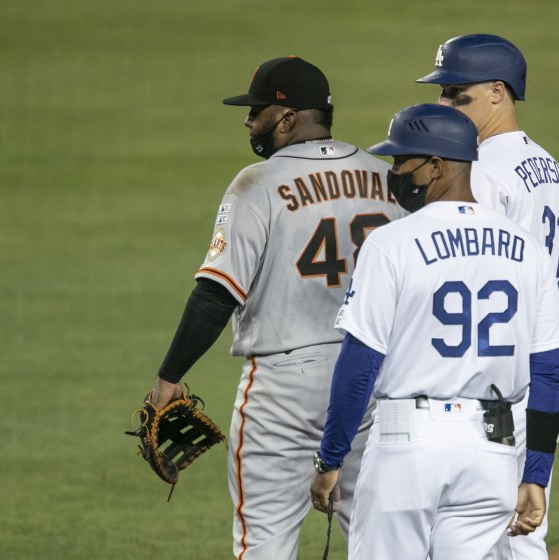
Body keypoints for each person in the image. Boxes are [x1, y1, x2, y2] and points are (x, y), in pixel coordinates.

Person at [141, 55, 406, 559]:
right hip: (372, 382)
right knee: (385, 546)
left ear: (288, 119)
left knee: (262, 545)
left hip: (283, 392)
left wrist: (167, 381)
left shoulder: (256, 183)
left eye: (256, 111)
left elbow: (215, 295)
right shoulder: (388, 178)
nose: (247, 121)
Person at [309, 103, 559, 560]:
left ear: (436, 166)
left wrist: (331, 459)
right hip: (493, 450)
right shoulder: (527, 249)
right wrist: (536, 474)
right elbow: (548, 373)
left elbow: (358, 365)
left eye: (400, 162)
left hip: (408, 444)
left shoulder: (390, 244)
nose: (394, 173)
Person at [415, 33, 559, 560]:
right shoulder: (551, 166)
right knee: (521, 528)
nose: (444, 104)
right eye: (441, 93)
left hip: (504, 373)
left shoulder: (481, 170)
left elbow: (462, 277)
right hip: (550, 361)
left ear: (496, 92)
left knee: (471, 532)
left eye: (455, 93)